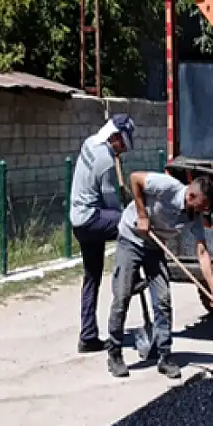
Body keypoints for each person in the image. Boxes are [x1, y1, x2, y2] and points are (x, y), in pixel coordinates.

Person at [105, 171, 213, 379]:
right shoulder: (167, 187)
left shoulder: (194, 216)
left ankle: (164, 356)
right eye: (202, 205)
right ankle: (114, 354)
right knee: (122, 296)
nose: (203, 211)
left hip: (155, 247)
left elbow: (202, 253)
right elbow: (135, 178)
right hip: (131, 238)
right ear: (191, 196)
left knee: (163, 301)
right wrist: (142, 215)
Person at [69, 114, 135, 354]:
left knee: (92, 276)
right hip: (91, 218)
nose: (124, 148)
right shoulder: (106, 160)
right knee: (131, 224)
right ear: (115, 137)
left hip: (78, 221)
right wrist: (128, 209)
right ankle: (132, 275)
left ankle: (88, 336)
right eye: (124, 143)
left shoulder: (89, 143)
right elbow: (111, 204)